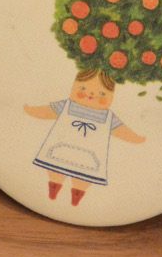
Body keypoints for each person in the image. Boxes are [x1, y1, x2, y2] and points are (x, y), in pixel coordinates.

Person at [24, 69, 144, 206]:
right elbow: (48, 111)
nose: (91, 94)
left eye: (102, 93)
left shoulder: (108, 117)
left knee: (83, 179)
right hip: (60, 150)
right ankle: (54, 188)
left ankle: (77, 195)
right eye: (83, 88)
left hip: (89, 158)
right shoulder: (66, 105)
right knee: (55, 171)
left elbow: (121, 130)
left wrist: (135, 138)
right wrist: (32, 110)